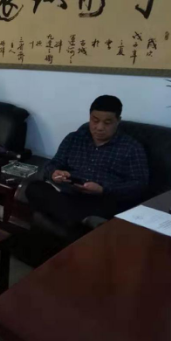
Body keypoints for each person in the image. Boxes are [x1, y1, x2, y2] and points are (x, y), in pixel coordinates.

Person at [26, 95, 149, 242]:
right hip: (69, 194)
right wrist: (55, 173)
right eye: (95, 120)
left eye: (107, 123)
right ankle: (80, 223)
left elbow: (139, 185)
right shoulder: (74, 138)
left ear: (118, 121)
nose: (99, 127)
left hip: (102, 200)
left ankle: (74, 223)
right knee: (34, 187)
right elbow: (53, 164)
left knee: (102, 208)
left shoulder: (131, 148)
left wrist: (103, 189)